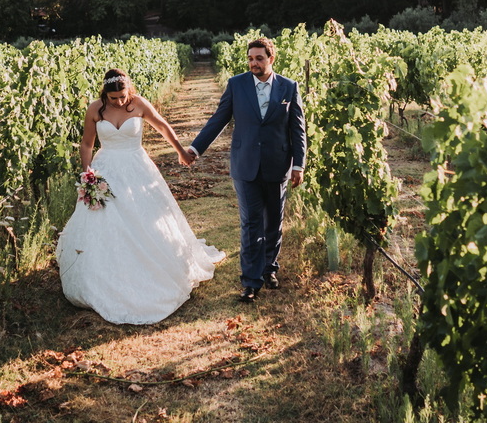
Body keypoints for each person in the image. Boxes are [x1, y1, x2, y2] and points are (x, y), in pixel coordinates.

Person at [55, 69, 225, 324]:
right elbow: (87, 144)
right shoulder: (95, 109)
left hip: (137, 167)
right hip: (106, 169)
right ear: (105, 94)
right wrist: (87, 172)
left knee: (143, 216)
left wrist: (180, 151)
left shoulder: (139, 103)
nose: (119, 102)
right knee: (105, 218)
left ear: (128, 90)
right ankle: (104, 277)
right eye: (113, 98)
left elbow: (162, 126)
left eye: (122, 96)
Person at [185, 37, 306, 303]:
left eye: (259, 58)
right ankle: (250, 281)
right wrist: (195, 149)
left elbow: (297, 129)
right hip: (245, 165)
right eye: (250, 58)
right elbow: (218, 120)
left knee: (273, 222)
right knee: (251, 224)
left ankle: (269, 269)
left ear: (271, 59)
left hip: (278, 165)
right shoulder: (236, 85)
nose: (253, 63)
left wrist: (298, 164)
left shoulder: (289, 87)